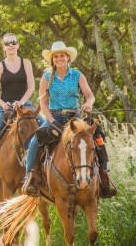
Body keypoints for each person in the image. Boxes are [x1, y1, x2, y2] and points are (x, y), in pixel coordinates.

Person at [23, 41, 117, 198]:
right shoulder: (46, 78)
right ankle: (30, 178)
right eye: (56, 56)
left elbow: (90, 96)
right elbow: (43, 104)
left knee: (98, 139)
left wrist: (88, 103)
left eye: (62, 56)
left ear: (68, 58)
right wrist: (52, 121)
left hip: (75, 117)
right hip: (55, 116)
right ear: (52, 60)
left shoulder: (77, 75)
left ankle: (104, 177)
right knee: (34, 142)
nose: (59, 58)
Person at [0, 33, 45, 180]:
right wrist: (2, 104)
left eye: (13, 42)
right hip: (5, 107)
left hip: (25, 105)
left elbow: (31, 87)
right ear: (3, 47)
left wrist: (22, 102)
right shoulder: (0, 66)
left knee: (44, 127)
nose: (11, 45)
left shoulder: (26, 63)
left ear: (18, 45)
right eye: (7, 43)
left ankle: (46, 163)